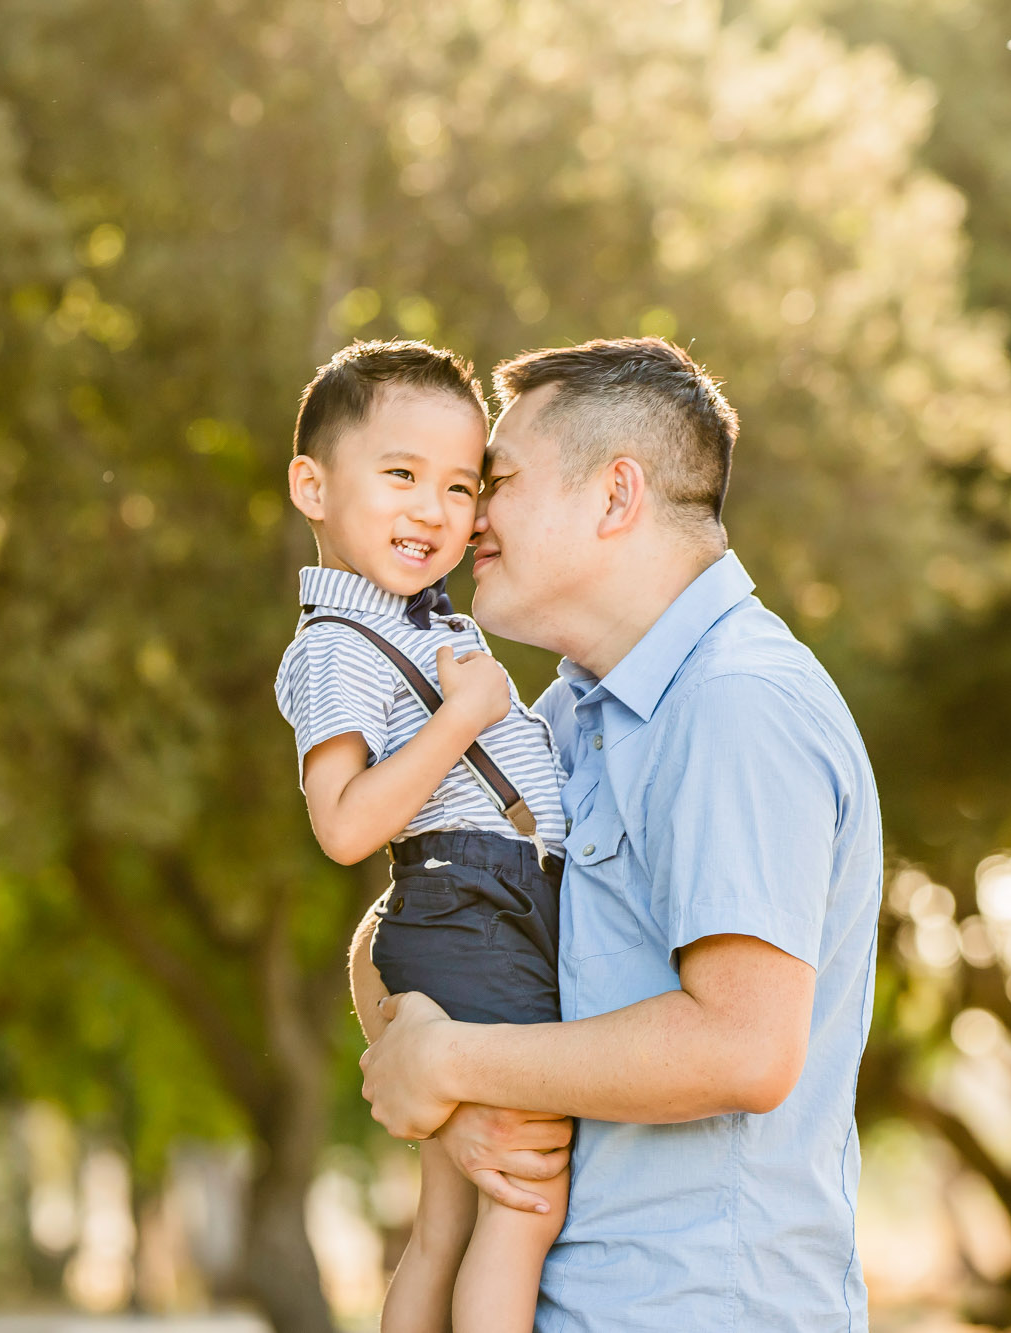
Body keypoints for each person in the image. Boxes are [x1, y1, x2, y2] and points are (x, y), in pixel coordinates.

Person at [351, 337, 884, 1331]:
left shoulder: (736, 705)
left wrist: (459, 1062)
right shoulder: (557, 721)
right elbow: (407, 923)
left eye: (494, 482)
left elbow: (741, 1047)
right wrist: (441, 1071)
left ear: (614, 496)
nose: (465, 520)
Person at [274, 340, 572, 1332]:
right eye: (399, 475)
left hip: (484, 903)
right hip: (469, 904)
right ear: (312, 486)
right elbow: (344, 825)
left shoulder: (422, 624)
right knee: (526, 1199)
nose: (433, 508)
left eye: (458, 485)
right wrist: (462, 715)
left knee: (446, 1220)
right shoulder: (334, 647)